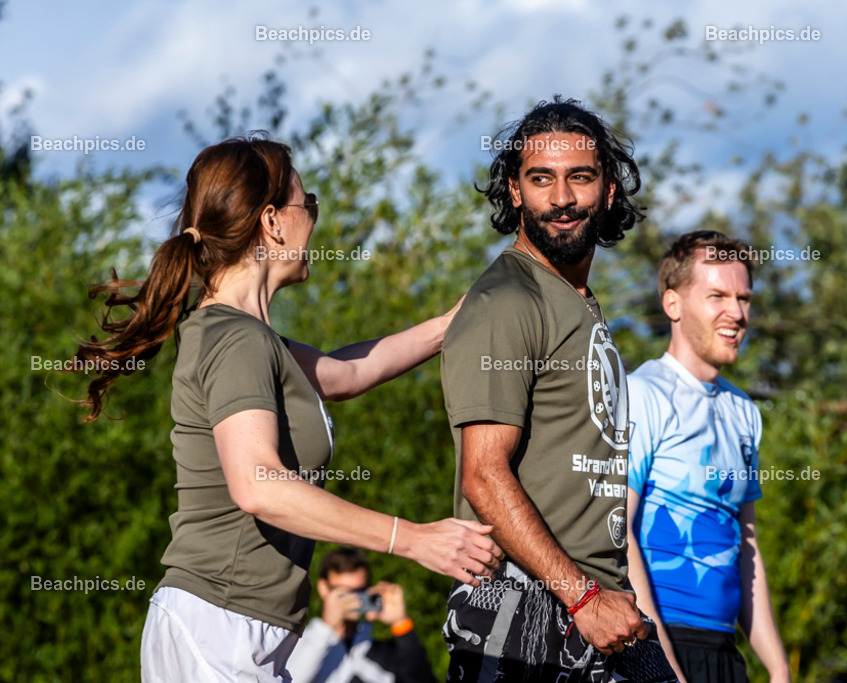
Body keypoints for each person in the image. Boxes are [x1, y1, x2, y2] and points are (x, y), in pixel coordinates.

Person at [69, 133, 501, 682]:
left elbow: (347, 374)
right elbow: (259, 485)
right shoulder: (236, 340)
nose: (314, 220)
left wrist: (451, 325)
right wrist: (413, 539)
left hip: (238, 626)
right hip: (220, 625)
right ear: (272, 221)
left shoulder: (250, 337)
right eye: (308, 204)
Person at [439, 97, 677, 682]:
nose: (562, 198)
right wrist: (582, 598)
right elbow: (483, 474)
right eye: (541, 179)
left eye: (581, 178)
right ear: (515, 192)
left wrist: (596, 598)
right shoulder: (508, 301)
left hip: (601, 607)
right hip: (527, 606)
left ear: (610, 192)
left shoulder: (574, 301)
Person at [626, 230, 790, 683]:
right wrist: (661, 665)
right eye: (717, 295)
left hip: (724, 652)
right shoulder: (642, 394)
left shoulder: (745, 412)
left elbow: (747, 547)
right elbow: (617, 533)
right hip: (655, 642)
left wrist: (778, 668)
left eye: (744, 298)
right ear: (672, 304)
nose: (736, 313)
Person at [288, 548, 436, 683]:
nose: (353, 600)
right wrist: (326, 628)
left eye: (359, 591)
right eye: (343, 592)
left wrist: (401, 623)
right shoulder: (292, 644)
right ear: (323, 589)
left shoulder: (380, 651)